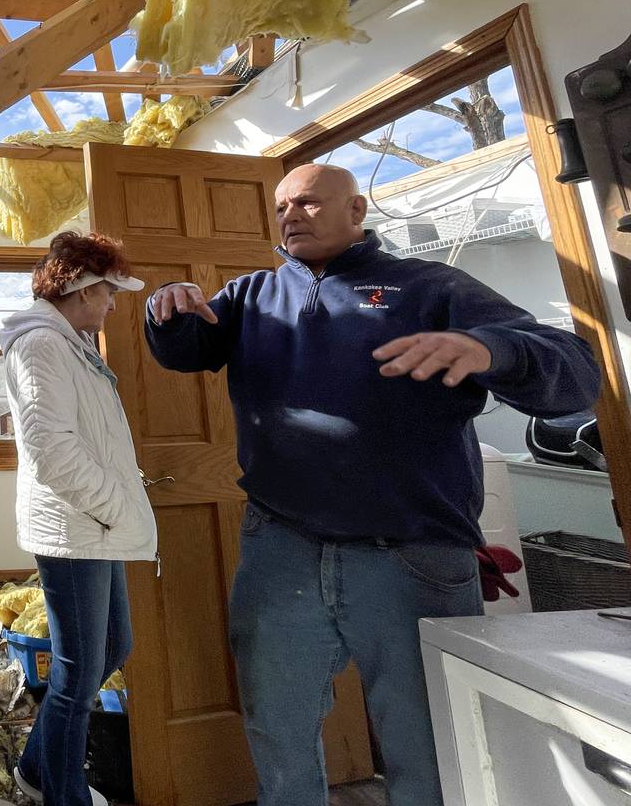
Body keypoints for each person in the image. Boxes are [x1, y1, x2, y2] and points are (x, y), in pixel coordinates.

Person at [143, 163, 601, 806]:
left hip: (411, 553)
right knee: (277, 726)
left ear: (356, 211)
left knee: (428, 741)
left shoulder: (429, 286)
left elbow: (575, 373)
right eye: (282, 207)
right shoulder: (252, 295)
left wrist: (490, 350)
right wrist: (166, 310)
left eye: (308, 202)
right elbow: (187, 350)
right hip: (281, 547)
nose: (290, 216)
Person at [0, 231, 159, 806]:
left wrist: (115, 513)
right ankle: (63, 796)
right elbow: (52, 452)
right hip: (74, 530)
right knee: (76, 674)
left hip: (94, 527)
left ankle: (35, 770)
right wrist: (117, 508)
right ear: (85, 287)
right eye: (110, 291)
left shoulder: (71, 344)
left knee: (112, 647)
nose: (114, 304)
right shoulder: (42, 345)